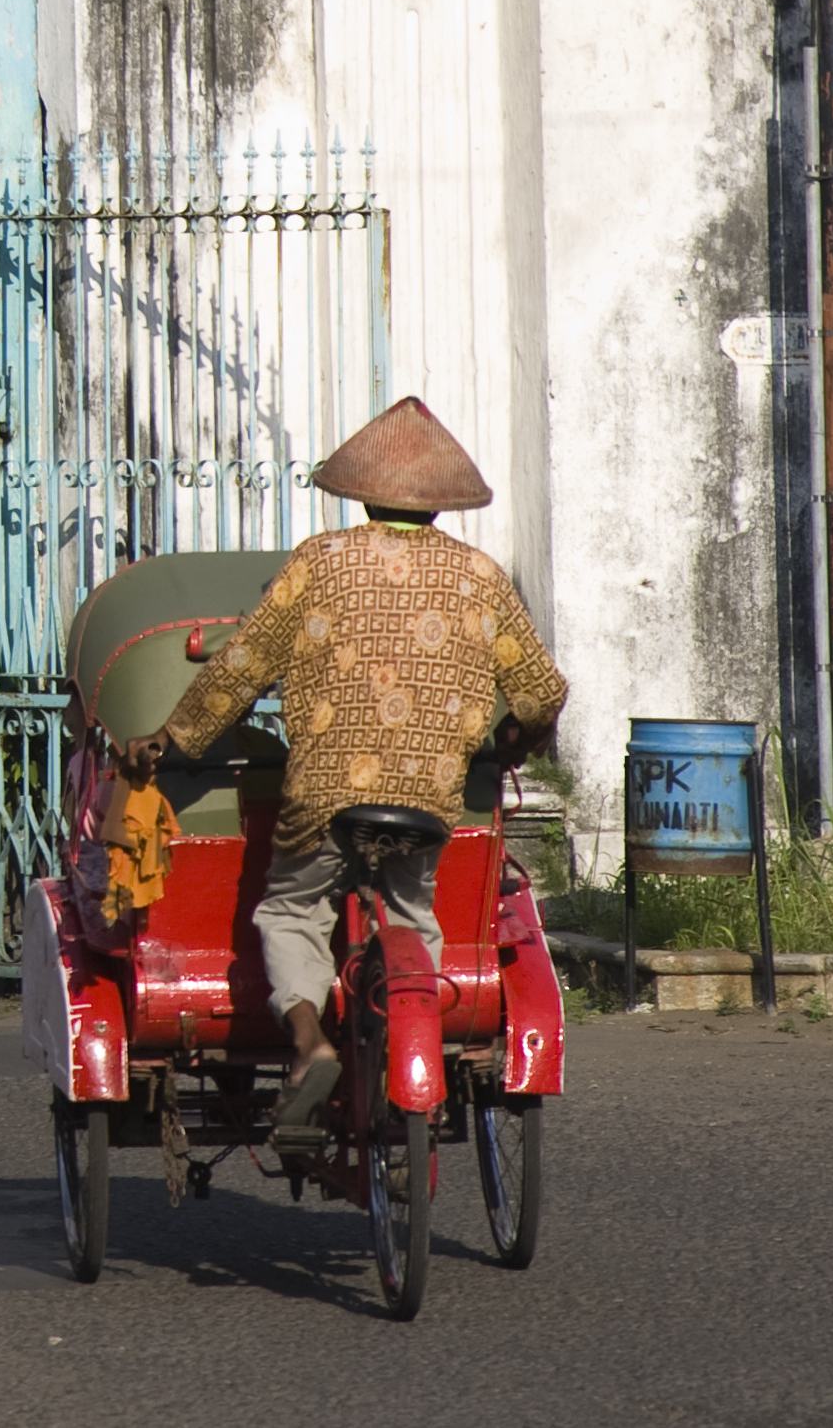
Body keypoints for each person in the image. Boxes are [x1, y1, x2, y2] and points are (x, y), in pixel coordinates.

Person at [119, 396, 568, 1145]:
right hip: (428, 799)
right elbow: (543, 692)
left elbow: (240, 670)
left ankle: (309, 1046)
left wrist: (172, 737)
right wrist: (519, 736)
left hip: (324, 795)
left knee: (291, 912)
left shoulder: (319, 562)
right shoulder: (481, 577)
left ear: (362, 495)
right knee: (413, 914)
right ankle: (408, 1042)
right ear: (440, 505)